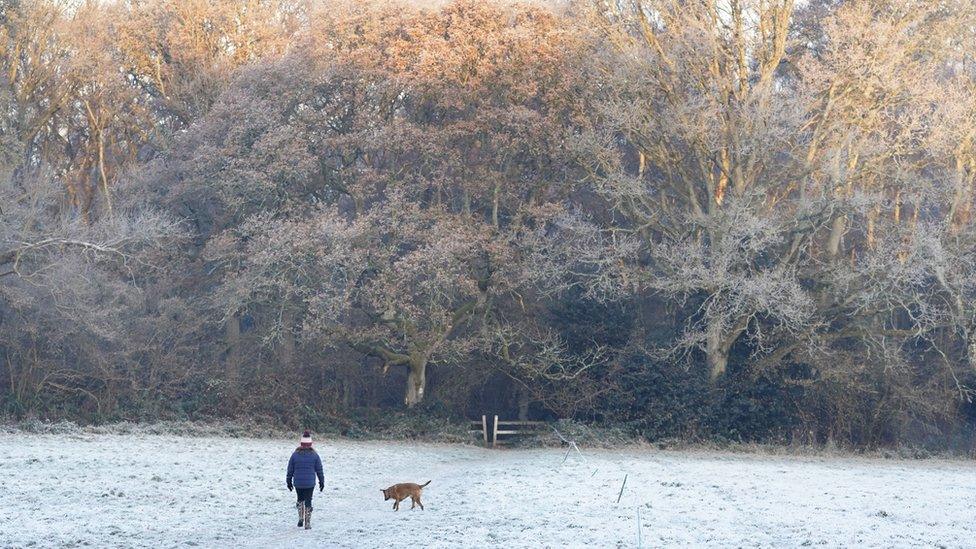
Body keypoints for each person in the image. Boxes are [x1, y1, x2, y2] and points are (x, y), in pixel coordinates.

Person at [286, 430, 324, 529]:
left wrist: (288, 480)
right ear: (310, 444)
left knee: (300, 499)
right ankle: (307, 523)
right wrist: (322, 481)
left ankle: (300, 518)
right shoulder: (315, 455)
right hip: (310, 483)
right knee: (308, 500)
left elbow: (290, 469)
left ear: (301, 444)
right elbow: (319, 470)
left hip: (298, 482)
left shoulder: (295, 455)